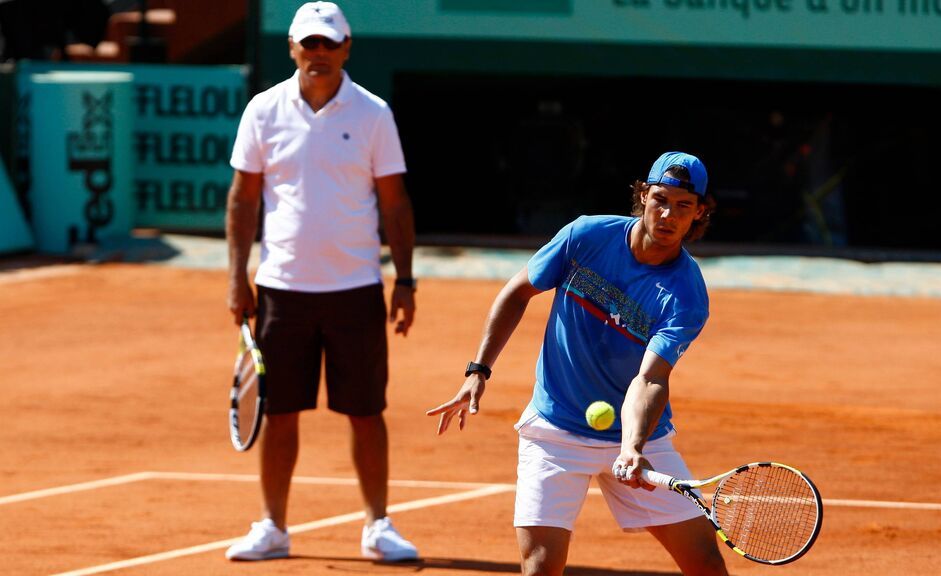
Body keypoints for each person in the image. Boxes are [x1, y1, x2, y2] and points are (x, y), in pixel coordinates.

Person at [428, 151, 729, 575]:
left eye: (683, 206)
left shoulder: (686, 295)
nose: (668, 215)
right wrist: (478, 370)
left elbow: (650, 378)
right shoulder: (587, 236)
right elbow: (517, 293)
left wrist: (633, 447)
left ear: (699, 212)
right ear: (643, 195)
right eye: (661, 199)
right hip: (555, 430)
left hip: (638, 437)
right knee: (541, 567)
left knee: (705, 562)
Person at [224, 1, 418, 563]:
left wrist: (404, 281)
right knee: (278, 411)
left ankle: (378, 525)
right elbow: (243, 198)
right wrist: (238, 278)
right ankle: (273, 527)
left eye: (329, 44)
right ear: (292, 48)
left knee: (365, 412)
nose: (319, 54)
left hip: (356, 288)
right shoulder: (262, 110)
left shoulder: (374, 113)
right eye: (309, 43)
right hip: (281, 288)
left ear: (346, 49)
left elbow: (395, 202)